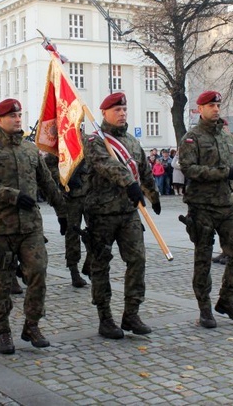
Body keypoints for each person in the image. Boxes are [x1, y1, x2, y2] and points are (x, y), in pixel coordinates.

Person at [0, 98, 65, 355]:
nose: (17, 120)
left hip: (30, 226)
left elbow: (47, 183)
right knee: (1, 281)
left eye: (19, 115)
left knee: (38, 274)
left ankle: (31, 325)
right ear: (0, 120)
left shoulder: (30, 150)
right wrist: (9, 195)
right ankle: (3, 331)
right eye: (12, 116)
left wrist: (63, 212)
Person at [82, 92, 161, 340]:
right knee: (101, 265)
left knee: (137, 259)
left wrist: (153, 195)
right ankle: (105, 318)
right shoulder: (95, 141)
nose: (122, 113)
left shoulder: (132, 142)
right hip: (101, 213)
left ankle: (132, 313)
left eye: (124, 109)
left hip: (129, 212)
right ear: (104, 113)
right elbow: (106, 165)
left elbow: (144, 170)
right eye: (117, 110)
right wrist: (129, 183)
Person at [177, 90, 233, 329]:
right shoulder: (192, 138)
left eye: (218, 105)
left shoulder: (227, 138)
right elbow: (189, 169)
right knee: (203, 258)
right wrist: (223, 173)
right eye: (210, 106)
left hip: (227, 204)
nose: (216, 109)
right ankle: (205, 308)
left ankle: (227, 300)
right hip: (202, 206)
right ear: (200, 109)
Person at [45, 151, 91, 288]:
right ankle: (73, 270)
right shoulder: (60, 145)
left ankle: (91, 263)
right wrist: (63, 177)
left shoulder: (87, 142)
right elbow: (49, 167)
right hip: (70, 198)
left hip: (90, 195)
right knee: (72, 235)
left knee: (96, 232)